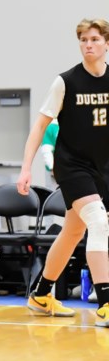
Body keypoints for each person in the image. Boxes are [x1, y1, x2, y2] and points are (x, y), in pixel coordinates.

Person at [17, 18, 109, 321]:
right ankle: (106, 303)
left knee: (72, 231)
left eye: (95, 39)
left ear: (106, 43)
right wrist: (26, 167)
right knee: (97, 221)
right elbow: (40, 125)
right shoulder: (65, 81)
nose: (88, 45)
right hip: (71, 164)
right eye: (83, 39)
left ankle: (41, 295)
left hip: (102, 166)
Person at [40, 119, 59, 190]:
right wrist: (52, 167)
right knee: (54, 194)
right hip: (55, 171)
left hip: (73, 168)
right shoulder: (52, 126)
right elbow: (46, 149)